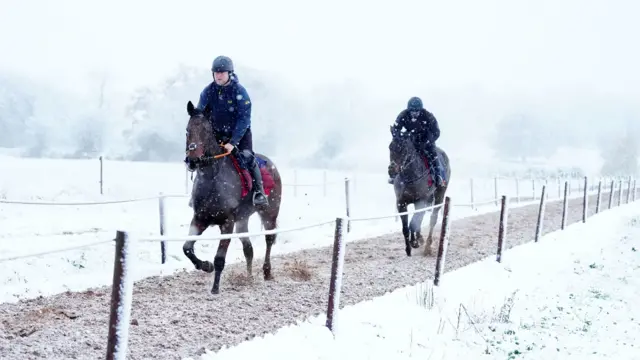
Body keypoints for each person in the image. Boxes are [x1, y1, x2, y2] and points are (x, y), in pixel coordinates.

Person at [190, 55, 268, 207]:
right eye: (216, 72)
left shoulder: (240, 92)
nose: (218, 75)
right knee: (202, 158)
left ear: (229, 73)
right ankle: (196, 195)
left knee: (247, 157)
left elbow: (244, 119)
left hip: (240, 134)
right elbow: (200, 114)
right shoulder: (207, 91)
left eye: (222, 72)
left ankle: (259, 192)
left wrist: (233, 142)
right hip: (216, 134)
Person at [388, 96, 445, 187]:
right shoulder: (403, 115)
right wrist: (400, 138)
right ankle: (393, 175)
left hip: (426, 140)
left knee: (433, 155)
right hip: (411, 140)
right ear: (408, 110)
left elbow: (436, 132)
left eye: (417, 112)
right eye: (412, 112)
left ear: (420, 110)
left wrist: (427, 142)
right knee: (397, 152)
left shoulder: (428, 116)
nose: (414, 114)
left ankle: (438, 177)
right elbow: (395, 130)